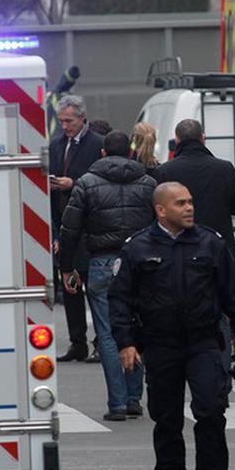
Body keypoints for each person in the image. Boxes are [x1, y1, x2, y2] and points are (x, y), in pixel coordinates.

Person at [111, 182, 235, 470]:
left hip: (203, 342)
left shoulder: (210, 242)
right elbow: (120, 300)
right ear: (161, 210)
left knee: (210, 412)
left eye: (191, 201)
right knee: (167, 421)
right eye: (181, 203)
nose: (190, 208)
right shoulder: (138, 248)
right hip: (161, 345)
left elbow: (232, 294)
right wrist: (126, 342)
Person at [57, 131, 155, 421]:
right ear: (130, 152)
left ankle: (118, 403)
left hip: (102, 262)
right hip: (141, 263)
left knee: (108, 333)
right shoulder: (148, 183)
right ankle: (135, 397)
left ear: (102, 153)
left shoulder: (87, 183)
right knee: (137, 328)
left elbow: (70, 229)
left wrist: (66, 267)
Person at [48, 95, 105, 363]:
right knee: (70, 288)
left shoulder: (97, 144)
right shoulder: (57, 144)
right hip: (64, 225)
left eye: (69, 121)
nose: (65, 126)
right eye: (61, 121)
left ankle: (99, 342)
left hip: (90, 227)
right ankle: (77, 342)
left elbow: (102, 180)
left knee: (94, 289)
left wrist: (74, 183)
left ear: (83, 118)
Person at [153, 118, 235, 254]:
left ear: (176, 140)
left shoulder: (164, 171)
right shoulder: (224, 168)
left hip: (178, 247)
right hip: (217, 247)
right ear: (203, 138)